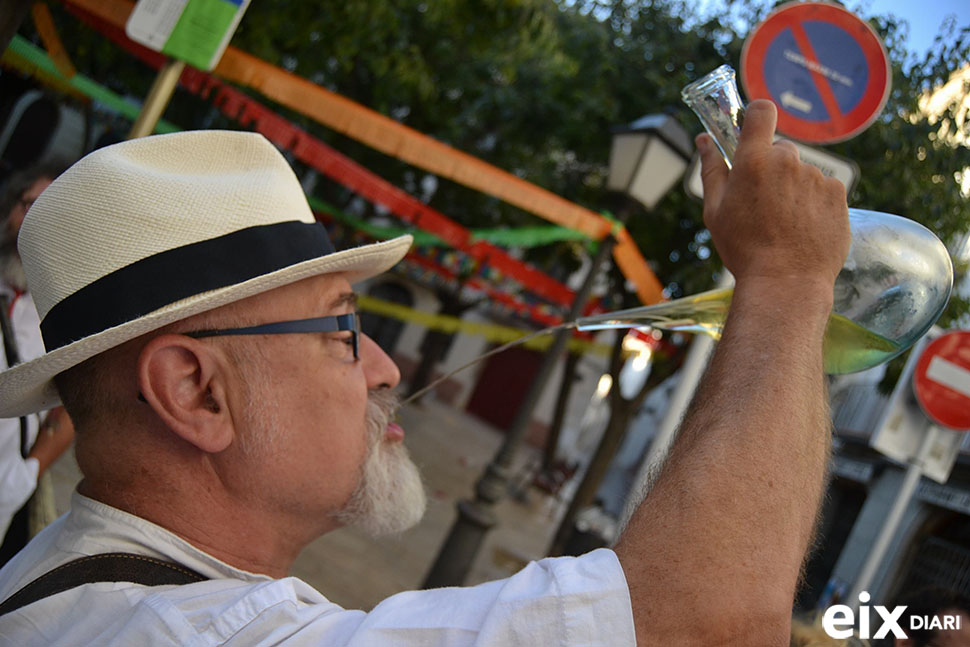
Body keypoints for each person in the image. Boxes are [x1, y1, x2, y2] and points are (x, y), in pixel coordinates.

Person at [0, 100, 849, 646]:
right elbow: (704, 623)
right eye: (343, 326)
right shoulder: (200, 632)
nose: (383, 365)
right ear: (196, 390)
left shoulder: (69, 587)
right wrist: (787, 280)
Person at [0, 161, 75, 566]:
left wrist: (27, 473)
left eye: (52, 218)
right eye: (30, 207)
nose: (33, 229)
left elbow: (73, 404)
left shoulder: (63, 318)